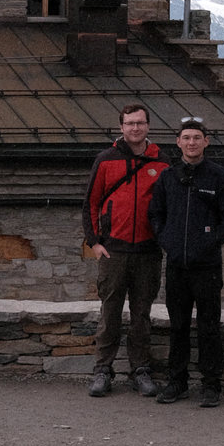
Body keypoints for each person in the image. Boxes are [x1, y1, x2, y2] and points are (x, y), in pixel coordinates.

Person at [147, 117, 224, 408]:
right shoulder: (168, 178)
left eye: (196, 137)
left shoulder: (219, 176)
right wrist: (167, 241)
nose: (191, 142)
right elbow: (155, 214)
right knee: (177, 326)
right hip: (177, 265)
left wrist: (208, 244)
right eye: (186, 137)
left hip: (207, 267)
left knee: (209, 325)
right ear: (178, 142)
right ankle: (177, 382)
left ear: (206, 142)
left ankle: (212, 385)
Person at [82, 103, 169, 398]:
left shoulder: (163, 163)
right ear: (121, 127)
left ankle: (141, 370)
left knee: (142, 314)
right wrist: (94, 242)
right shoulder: (106, 160)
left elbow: (169, 207)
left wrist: (163, 241)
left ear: (148, 126)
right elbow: (91, 203)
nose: (135, 128)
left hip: (148, 251)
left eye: (140, 123)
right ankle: (103, 370)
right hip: (114, 251)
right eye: (130, 123)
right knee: (110, 312)